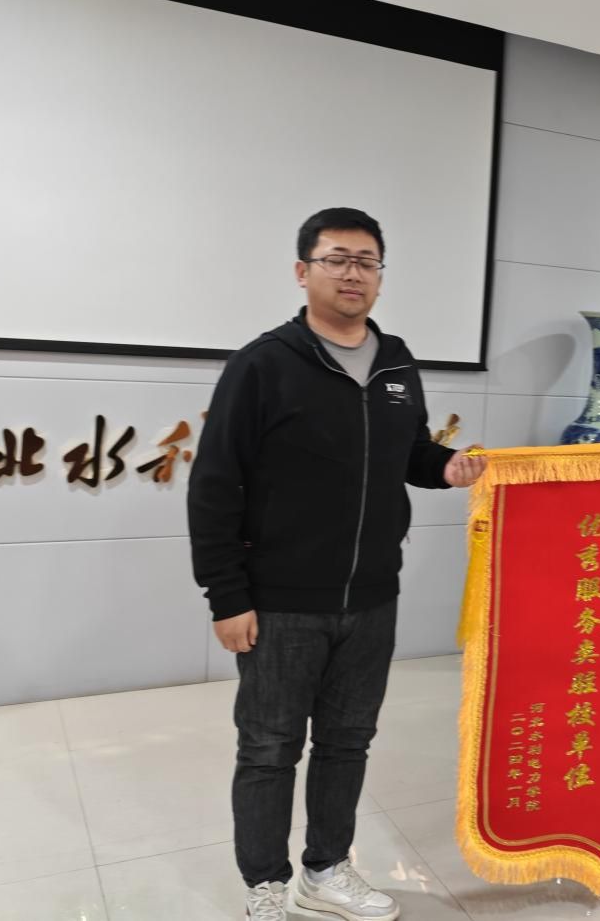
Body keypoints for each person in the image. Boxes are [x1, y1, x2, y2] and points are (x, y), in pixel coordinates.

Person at [188, 207, 485, 921]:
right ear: (304, 271)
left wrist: (446, 466)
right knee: (269, 747)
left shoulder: (396, 360)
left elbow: (409, 451)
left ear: (380, 275)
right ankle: (264, 884)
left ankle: (325, 870)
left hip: (372, 596)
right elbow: (215, 483)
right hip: (280, 600)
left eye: (367, 262)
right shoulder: (264, 363)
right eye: (337, 259)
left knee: (348, 741)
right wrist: (227, 596)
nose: (354, 274)